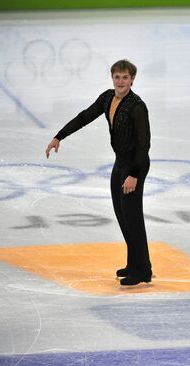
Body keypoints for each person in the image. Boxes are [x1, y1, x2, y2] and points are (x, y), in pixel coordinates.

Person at [45, 59, 152, 286]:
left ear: (132, 79)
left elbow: (144, 144)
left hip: (135, 165)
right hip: (120, 163)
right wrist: (59, 136)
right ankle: (135, 264)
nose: (121, 81)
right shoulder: (107, 98)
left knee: (133, 218)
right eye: (117, 77)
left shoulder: (137, 106)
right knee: (122, 215)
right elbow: (84, 117)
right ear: (112, 78)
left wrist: (133, 174)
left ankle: (142, 271)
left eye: (125, 77)